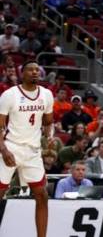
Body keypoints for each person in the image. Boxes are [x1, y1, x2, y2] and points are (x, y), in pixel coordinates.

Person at [0, 61, 53, 237]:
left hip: (32, 151)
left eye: (37, 69)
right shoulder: (9, 95)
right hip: (11, 147)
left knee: (42, 195)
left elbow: (48, 121)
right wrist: (3, 150)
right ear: (22, 73)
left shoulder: (46, 95)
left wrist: (49, 135)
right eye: (30, 69)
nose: (34, 72)